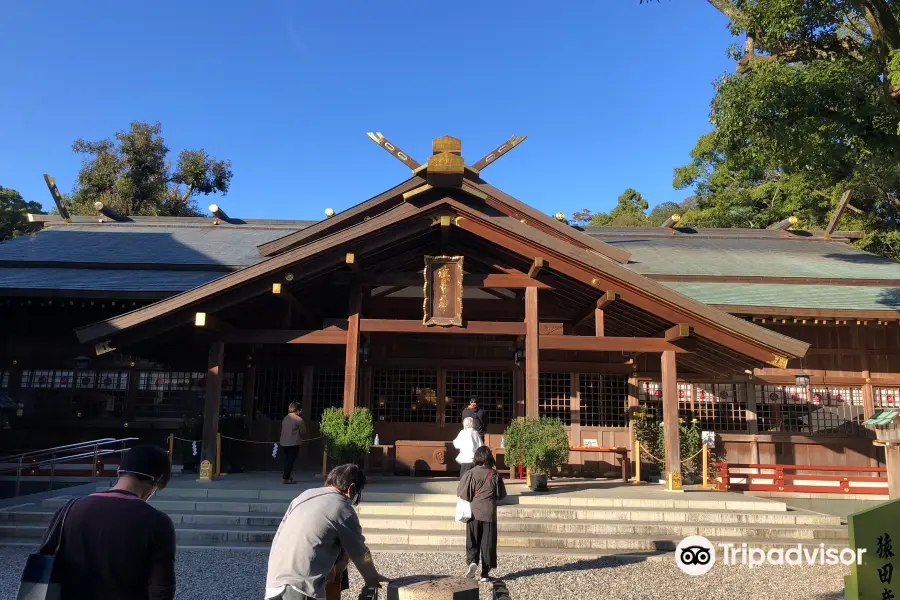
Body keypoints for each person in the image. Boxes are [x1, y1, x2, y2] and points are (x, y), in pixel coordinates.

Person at [48, 444, 175, 600]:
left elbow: (47, 565)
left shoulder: (69, 510)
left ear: (118, 471)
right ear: (157, 480)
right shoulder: (157, 522)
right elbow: (161, 589)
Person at [265, 463, 390, 600]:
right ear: (351, 489)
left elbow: (279, 535)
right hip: (302, 586)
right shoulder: (342, 508)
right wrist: (371, 577)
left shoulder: (303, 496)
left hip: (274, 581)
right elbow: (359, 551)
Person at [457, 446, 506, 582]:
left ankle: (472, 562)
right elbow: (501, 495)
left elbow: (462, 493)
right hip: (489, 513)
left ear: (477, 457)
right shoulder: (495, 474)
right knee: (487, 542)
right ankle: (485, 573)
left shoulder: (470, 474)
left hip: (473, 512)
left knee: (472, 539)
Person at [280, 402, 307, 484]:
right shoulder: (298, 419)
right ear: (298, 410)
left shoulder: (285, 418)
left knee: (287, 460)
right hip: (293, 442)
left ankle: (287, 476)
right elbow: (303, 432)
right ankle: (285, 478)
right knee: (291, 461)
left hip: (284, 442)